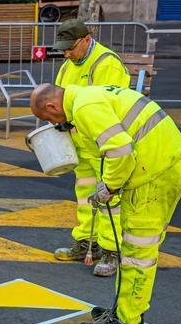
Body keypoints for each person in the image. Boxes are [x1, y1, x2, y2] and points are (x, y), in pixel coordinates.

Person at [30, 83, 181, 324]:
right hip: (160, 166)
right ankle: (127, 312)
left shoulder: (84, 107)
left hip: (155, 175)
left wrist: (110, 186)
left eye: (49, 118)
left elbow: (120, 150)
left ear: (52, 105)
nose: (53, 123)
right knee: (133, 248)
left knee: (138, 251)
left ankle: (125, 323)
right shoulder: (86, 97)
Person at [50, 19, 131, 277]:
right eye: (62, 49)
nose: (66, 54)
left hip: (104, 142)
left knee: (109, 197)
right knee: (85, 193)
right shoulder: (67, 66)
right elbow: (59, 99)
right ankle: (87, 241)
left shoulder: (107, 63)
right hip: (81, 141)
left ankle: (111, 250)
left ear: (87, 39)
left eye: (70, 48)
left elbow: (106, 108)